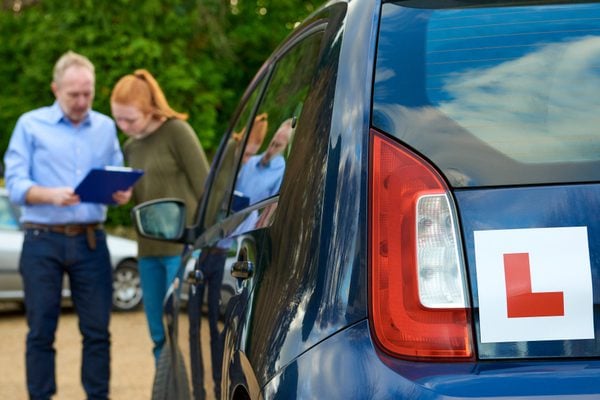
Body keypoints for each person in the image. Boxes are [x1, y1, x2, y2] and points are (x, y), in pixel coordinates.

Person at [3, 50, 131, 400]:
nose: (81, 101)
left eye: (87, 93)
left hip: (91, 240)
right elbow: (13, 183)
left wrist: (121, 193)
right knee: (40, 331)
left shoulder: (105, 127)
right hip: (41, 241)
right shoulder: (30, 125)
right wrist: (48, 195)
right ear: (54, 89)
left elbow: (116, 175)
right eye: (73, 94)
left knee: (97, 332)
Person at [110, 69, 209, 364]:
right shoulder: (131, 147)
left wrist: (205, 240)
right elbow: (143, 202)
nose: (123, 126)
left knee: (184, 332)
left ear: (150, 109)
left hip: (182, 250)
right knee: (158, 334)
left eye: (130, 119)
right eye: (118, 119)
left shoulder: (177, 132)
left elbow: (205, 186)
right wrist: (124, 197)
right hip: (148, 251)